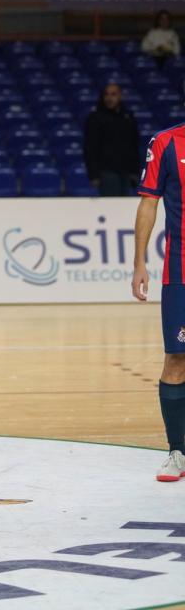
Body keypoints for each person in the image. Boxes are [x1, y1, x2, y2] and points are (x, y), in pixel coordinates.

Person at [132, 123, 185, 483]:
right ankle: (176, 452)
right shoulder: (165, 142)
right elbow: (148, 203)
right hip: (181, 273)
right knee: (177, 360)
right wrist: (139, 262)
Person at [84, 82, 141, 197]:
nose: (109, 98)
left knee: (125, 208)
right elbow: (90, 148)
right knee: (111, 208)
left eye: (113, 94)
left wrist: (135, 171)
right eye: (106, 95)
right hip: (106, 172)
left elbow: (134, 145)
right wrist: (94, 175)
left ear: (120, 96)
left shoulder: (128, 116)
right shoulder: (95, 118)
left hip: (126, 172)